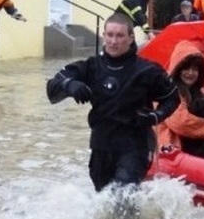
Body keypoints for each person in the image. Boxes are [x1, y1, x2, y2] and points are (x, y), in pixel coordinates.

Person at [46, 13, 180, 192]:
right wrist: (69, 84)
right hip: (101, 144)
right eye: (109, 35)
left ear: (131, 38)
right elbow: (52, 89)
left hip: (135, 145)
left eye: (119, 36)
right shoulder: (91, 67)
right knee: (103, 200)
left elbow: (173, 98)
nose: (114, 41)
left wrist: (156, 115)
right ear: (104, 36)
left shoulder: (148, 70)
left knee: (121, 197)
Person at [156, 41, 204, 158]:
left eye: (195, 69)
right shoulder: (168, 90)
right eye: (186, 68)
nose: (191, 73)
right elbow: (181, 123)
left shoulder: (197, 91)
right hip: (173, 147)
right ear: (177, 69)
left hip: (195, 146)